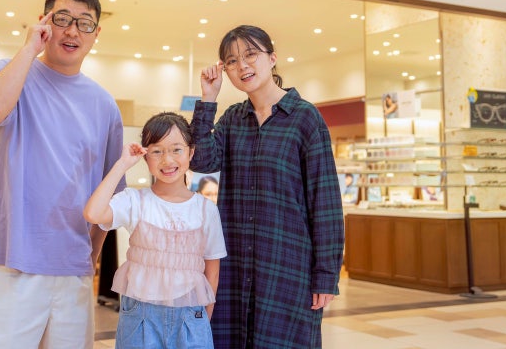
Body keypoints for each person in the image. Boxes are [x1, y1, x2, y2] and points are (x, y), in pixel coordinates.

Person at [0, 0, 126, 348]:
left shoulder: (104, 105)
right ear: (44, 22)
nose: (72, 31)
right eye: (62, 19)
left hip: (72, 270)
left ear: (96, 33)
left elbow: (110, 194)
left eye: (84, 23)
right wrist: (28, 49)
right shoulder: (9, 73)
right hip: (10, 263)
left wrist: (89, 257)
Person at [192, 25, 344, 349]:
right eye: (232, 61)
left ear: (272, 58)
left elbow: (326, 202)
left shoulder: (305, 118)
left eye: (251, 55)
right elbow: (201, 161)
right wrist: (208, 99)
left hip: (287, 266)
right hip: (234, 266)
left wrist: (326, 274)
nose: (243, 66)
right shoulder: (232, 119)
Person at [83, 112, 226, 348]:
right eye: (157, 151)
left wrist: (203, 320)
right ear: (145, 157)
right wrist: (122, 164)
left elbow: (213, 272)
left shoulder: (206, 210)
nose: (167, 160)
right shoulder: (134, 200)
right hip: (140, 313)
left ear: (191, 152)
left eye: (176, 149)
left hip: (190, 313)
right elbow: (93, 213)